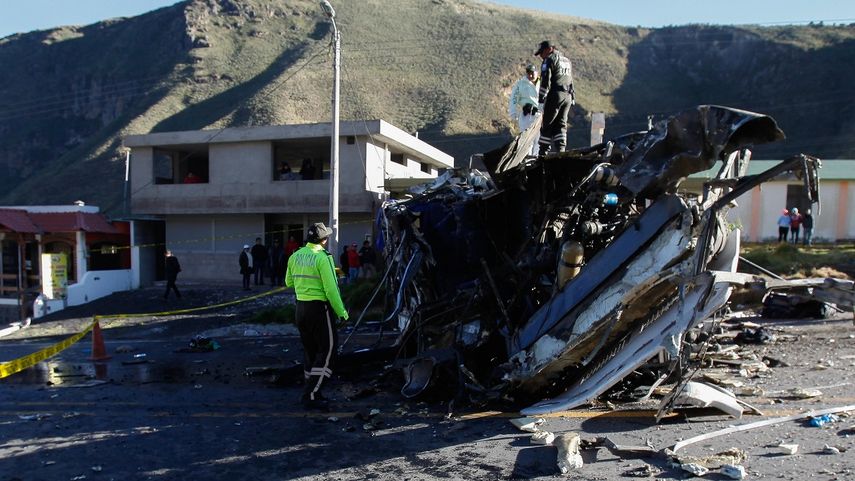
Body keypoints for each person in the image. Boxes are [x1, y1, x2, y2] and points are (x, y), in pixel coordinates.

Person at [285, 222, 349, 410]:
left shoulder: (295, 255)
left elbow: (288, 282)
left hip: (300, 308)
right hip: (319, 309)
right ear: (324, 240)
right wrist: (342, 313)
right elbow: (331, 290)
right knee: (328, 351)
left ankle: (312, 389)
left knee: (310, 352)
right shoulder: (323, 257)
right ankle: (311, 394)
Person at [534, 40, 574, 155]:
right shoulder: (566, 60)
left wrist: (541, 100)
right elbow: (570, 80)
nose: (541, 56)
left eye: (542, 52)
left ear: (549, 49)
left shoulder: (549, 60)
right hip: (567, 96)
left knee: (547, 124)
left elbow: (545, 81)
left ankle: (543, 153)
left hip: (556, 95)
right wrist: (573, 97)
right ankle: (561, 152)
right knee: (561, 125)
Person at [509, 64, 540, 156]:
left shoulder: (543, 83)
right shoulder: (520, 84)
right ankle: (526, 158)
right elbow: (514, 99)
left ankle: (536, 158)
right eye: (528, 73)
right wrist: (513, 113)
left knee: (539, 140)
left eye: (532, 73)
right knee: (527, 140)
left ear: (536, 73)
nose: (530, 75)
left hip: (540, 114)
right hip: (527, 115)